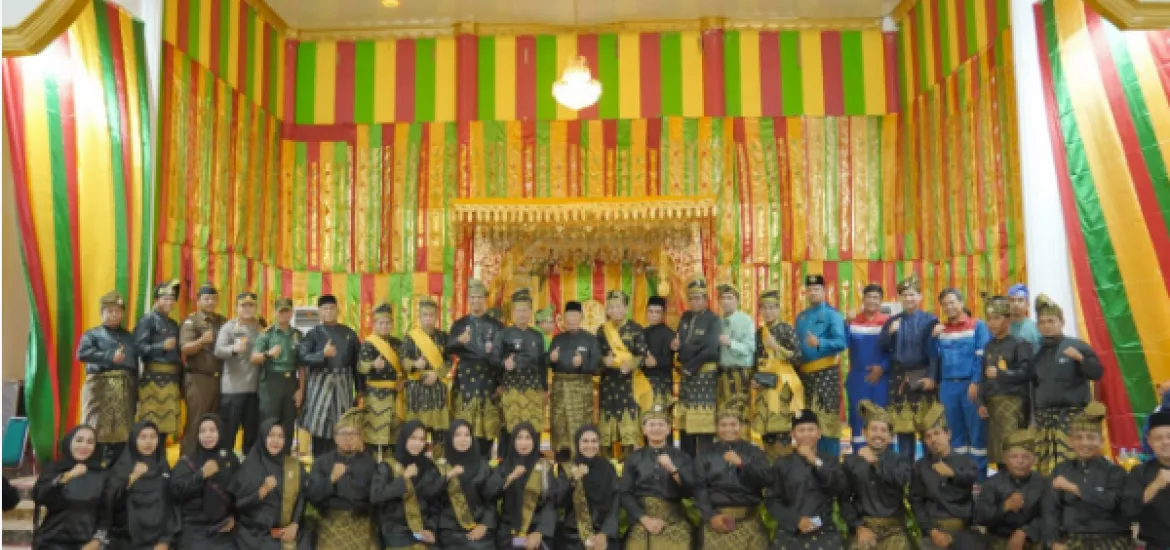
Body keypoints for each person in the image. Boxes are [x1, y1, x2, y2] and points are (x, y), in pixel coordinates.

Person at [1031, 294, 1102, 475]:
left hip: (1072, 418)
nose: (1046, 325)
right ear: (1037, 326)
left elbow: (1097, 373)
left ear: (1062, 322)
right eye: (1042, 322)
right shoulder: (1035, 351)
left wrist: (1080, 359)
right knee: (1044, 469)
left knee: (1072, 468)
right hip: (1044, 420)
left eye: (1051, 321)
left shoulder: (1078, 346)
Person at [1050, 402, 1135, 550]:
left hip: (1110, 539)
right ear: (1071, 441)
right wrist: (1053, 541)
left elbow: (1110, 502)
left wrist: (1074, 488)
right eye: (1079, 438)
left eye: (1090, 437)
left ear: (1101, 441)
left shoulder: (1115, 472)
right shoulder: (1061, 470)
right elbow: (1050, 509)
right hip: (1072, 538)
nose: (1085, 443)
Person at [620, 401, 696, 550]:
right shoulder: (634, 458)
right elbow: (625, 493)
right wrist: (644, 519)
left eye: (661, 424)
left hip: (674, 520)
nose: (656, 428)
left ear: (668, 429)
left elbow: (691, 490)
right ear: (644, 429)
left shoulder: (682, 457)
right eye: (652, 424)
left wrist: (673, 469)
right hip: (642, 520)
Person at [767, 409, 847, 549]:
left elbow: (837, 488)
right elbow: (772, 501)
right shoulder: (782, 464)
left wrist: (815, 461)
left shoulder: (830, 462)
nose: (806, 434)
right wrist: (796, 521)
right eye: (801, 430)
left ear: (819, 433)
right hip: (791, 533)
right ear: (793, 434)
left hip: (825, 532)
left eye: (811, 429)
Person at [932, 288, 991, 476]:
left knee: (977, 435)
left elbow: (982, 357)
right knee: (954, 435)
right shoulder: (941, 330)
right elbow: (933, 358)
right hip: (948, 387)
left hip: (970, 386)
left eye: (952, 302)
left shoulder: (978, 326)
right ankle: (960, 477)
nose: (948, 307)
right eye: (944, 304)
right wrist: (932, 338)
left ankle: (979, 480)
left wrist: (976, 381)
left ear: (961, 302)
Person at [909, 402, 984, 550]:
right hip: (933, 534)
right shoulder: (920, 467)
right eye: (928, 436)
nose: (933, 440)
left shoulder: (966, 462)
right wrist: (931, 531)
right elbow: (916, 502)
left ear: (948, 434)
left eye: (937, 433)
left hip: (964, 534)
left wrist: (954, 474)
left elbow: (971, 477)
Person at [78, 291, 139, 466]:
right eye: (110, 311)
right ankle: (92, 469)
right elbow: (82, 354)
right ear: (102, 313)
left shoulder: (129, 337)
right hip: (100, 388)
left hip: (124, 390)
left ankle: (118, 469)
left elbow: (135, 365)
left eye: (118, 311)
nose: (114, 314)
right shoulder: (92, 334)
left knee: (122, 431)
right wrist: (110, 356)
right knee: (95, 429)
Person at [841, 400, 912, 549]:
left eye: (883, 430)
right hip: (864, 528)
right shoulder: (851, 462)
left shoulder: (900, 461)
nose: (878, 434)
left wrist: (875, 463)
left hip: (895, 530)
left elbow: (899, 481)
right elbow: (844, 499)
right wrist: (857, 527)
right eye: (874, 429)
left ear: (890, 436)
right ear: (864, 432)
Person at [694, 412, 771, 549]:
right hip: (717, 520)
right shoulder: (705, 454)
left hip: (750, 520)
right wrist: (711, 516)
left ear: (741, 427)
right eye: (723, 425)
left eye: (733, 424)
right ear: (716, 428)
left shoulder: (754, 452)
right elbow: (699, 488)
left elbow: (766, 479)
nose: (728, 429)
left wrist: (742, 464)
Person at [446, 279, 505, 456]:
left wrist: (502, 383)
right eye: (472, 297)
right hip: (465, 381)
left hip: (489, 380)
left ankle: (485, 464)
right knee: (464, 427)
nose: (475, 300)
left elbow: (502, 357)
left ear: (485, 299)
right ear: (468, 299)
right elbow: (447, 349)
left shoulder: (496, 326)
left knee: (487, 429)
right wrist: (459, 341)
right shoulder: (459, 324)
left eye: (479, 297)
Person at [306, 407, 378, 550]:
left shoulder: (369, 463)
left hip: (360, 520)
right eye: (344, 434)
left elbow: (376, 498)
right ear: (335, 437)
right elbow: (313, 496)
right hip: (331, 520)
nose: (348, 438)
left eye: (353, 434)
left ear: (359, 437)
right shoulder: (322, 462)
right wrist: (331, 479)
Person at [975, 429, 1058, 550]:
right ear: (1005, 459)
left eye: (1026, 457)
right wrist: (1005, 507)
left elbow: (1049, 518)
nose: (1020, 461)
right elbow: (981, 517)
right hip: (998, 541)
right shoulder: (991, 483)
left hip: (1032, 541)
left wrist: (1024, 532)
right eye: (1014, 456)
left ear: (1033, 460)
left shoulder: (1043, 483)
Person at [229, 420, 307, 550]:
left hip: (285, 530)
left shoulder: (293, 466)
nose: (276, 440)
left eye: (280, 436)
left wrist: (295, 524)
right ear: (263, 437)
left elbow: (301, 496)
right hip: (253, 532)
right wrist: (261, 492)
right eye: (271, 435)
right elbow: (237, 506)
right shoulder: (249, 467)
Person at [299, 294, 361, 457]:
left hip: (343, 384)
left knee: (342, 424)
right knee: (319, 425)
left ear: (337, 310)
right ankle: (319, 463)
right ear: (319, 312)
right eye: (325, 309)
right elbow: (302, 357)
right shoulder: (313, 334)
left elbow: (357, 364)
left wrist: (360, 389)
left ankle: (342, 462)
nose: (329, 312)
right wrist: (322, 354)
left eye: (332, 308)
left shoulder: (349, 333)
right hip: (320, 384)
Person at [794, 274, 847, 457]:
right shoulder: (801, 317)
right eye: (809, 290)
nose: (813, 292)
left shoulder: (832, 315)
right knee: (807, 422)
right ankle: (810, 461)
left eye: (816, 289)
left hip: (826, 374)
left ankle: (830, 464)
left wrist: (820, 343)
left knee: (827, 421)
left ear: (824, 292)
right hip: (804, 376)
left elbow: (841, 343)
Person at [170, 414, 240, 550]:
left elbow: (238, 494)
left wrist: (233, 517)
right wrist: (200, 475)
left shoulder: (230, 460)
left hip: (223, 526)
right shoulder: (187, 461)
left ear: (220, 432)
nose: (207, 435)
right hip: (193, 526)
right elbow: (175, 492)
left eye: (212, 430)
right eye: (203, 431)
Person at [980, 296, 1034, 471]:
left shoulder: (1020, 344)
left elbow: (1026, 373)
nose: (992, 323)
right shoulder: (989, 346)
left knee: (1014, 451)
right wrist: (981, 402)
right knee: (998, 454)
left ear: (1008, 319)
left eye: (996, 318)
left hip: (1014, 405)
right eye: (989, 319)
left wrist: (1001, 374)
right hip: (993, 406)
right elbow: (983, 376)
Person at [104, 420, 178, 549]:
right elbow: (108, 504)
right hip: (126, 539)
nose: (148, 442)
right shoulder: (123, 467)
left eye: (153, 437)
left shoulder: (163, 466)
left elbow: (172, 506)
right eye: (143, 437)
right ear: (134, 440)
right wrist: (131, 478)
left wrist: (165, 540)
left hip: (160, 540)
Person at [32, 425, 108, 550]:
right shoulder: (54, 469)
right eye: (79, 440)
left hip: (87, 543)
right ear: (69, 442)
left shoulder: (103, 475)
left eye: (90, 442)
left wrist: (97, 541)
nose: (84, 446)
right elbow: (40, 497)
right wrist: (67, 476)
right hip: (51, 541)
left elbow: (107, 513)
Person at [372, 420, 444, 549]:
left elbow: (437, 501)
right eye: (413, 438)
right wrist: (403, 478)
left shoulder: (429, 467)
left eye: (421, 439)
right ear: (404, 438)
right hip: (397, 533)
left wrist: (431, 529)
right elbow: (376, 496)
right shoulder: (387, 466)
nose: (417, 443)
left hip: (425, 531)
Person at [596, 290, 652, 459]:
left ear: (626, 308)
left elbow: (642, 355)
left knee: (628, 434)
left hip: (629, 385)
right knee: (606, 435)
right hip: (608, 386)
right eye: (611, 307)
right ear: (607, 310)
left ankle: (629, 467)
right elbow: (595, 357)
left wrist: (631, 364)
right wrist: (603, 361)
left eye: (619, 306)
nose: (615, 310)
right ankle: (607, 467)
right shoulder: (602, 330)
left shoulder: (635, 329)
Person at [492, 290, 547, 454]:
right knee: (511, 427)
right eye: (518, 310)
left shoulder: (537, 336)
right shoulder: (504, 334)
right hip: (512, 387)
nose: (522, 314)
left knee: (533, 426)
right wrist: (504, 364)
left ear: (530, 312)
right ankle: (506, 461)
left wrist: (545, 389)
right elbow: (494, 359)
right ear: (513, 312)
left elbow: (542, 364)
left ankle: (532, 461)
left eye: (525, 310)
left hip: (533, 388)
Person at [674, 275, 722, 457]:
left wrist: (689, 365)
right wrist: (685, 348)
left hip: (704, 380)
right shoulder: (686, 317)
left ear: (705, 299)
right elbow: (680, 343)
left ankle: (706, 469)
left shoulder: (713, 320)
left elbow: (711, 350)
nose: (695, 302)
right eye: (691, 298)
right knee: (685, 428)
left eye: (698, 298)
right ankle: (686, 467)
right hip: (687, 380)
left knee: (704, 429)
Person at [489, 422, 557, 550]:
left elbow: (550, 503)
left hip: (538, 532)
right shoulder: (504, 466)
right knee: (518, 545)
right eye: (519, 438)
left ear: (534, 441)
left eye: (528, 438)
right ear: (513, 441)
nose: (523, 443)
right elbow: (490, 493)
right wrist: (510, 478)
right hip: (510, 533)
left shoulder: (544, 467)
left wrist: (539, 532)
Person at [550, 300, 603, 461]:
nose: (572, 319)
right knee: (559, 425)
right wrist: (551, 359)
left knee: (580, 426)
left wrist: (583, 363)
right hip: (560, 389)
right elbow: (548, 363)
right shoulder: (557, 339)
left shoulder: (590, 340)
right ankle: (561, 463)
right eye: (569, 315)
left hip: (581, 390)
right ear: (564, 318)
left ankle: (582, 462)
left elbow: (598, 366)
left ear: (581, 317)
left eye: (575, 315)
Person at [432, 420, 497, 549]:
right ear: (449, 438)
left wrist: (485, 524)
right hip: (451, 530)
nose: (463, 439)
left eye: (467, 435)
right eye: (457, 435)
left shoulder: (483, 465)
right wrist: (448, 476)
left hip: (480, 527)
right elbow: (431, 496)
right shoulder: (440, 467)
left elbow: (491, 499)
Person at [134, 280, 183, 450]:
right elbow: (138, 347)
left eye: (172, 298)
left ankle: (161, 462)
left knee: (166, 428)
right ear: (156, 300)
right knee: (150, 426)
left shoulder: (173, 324)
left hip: (171, 380)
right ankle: (148, 461)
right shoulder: (147, 320)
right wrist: (161, 346)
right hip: (153, 380)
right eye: (165, 298)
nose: (169, 302)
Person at [399, 297, 451, 457]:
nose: (428, 319)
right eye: (425, 315)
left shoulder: (443, 337)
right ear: (419, 317)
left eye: (431, 315)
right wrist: (415, 364)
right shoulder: (410, 337)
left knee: (439, 430)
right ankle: (415, 459)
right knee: (416, 429)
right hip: (416, 391)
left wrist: (437, 374)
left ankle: (439, 460)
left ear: (436, 317)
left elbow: (449, 361)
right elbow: (402, 360)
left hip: (437, 389)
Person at [180, 283, 227, 456]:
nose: (210, 302)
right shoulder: (191, 321)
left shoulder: (222, 321)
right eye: (206, 299)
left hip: (219, 379)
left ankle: (209, 461)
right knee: (196, 422)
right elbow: (185, 348)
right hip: (198, 379)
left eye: (213, 299)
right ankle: (186, 462)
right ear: (198, 300)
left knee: (215, 424)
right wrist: (201, 341)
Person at [251, 298, 303, 455]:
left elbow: (302, 365)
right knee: (269, 422)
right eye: (281, 311)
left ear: (291, 313)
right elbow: (254, 358)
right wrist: (268, 354)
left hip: (291, 382)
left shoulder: (297, 335)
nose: (284, 314)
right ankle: (266, 458)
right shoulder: (267, 334)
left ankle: (285, 458)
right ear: (275, 313)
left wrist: (301, 389)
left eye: (287, 311)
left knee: (289, 422)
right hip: (271, 382)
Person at [555, 425, 620, 550]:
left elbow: (615, 502)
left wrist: (605, 533)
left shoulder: (607, 468)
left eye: (594, 441)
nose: (590, 445)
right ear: (577, 443)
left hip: (603, 533)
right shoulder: (568, 468)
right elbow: (559, 501)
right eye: (585, 441)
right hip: (574, 535)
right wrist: (574, 480)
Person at [754, 288, 803, 455]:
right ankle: (769, 465)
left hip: (782, 386)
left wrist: (777, 348)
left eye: (771, 307)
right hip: (764, 385)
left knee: (780, 428)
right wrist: (754, 379)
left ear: (778, 309)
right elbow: (756, 360)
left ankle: (784, 464)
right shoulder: (759, 333)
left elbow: (798, 357)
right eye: (764, 308)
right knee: (766, 429)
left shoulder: (786, 329)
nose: (768, 312)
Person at [215, 291, 264, 452]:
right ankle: (225, 464)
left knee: (251, 435)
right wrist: (233, 349)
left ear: (256, 307)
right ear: (236, 307)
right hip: (233, 389)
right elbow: (218, 351)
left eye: (251, 305)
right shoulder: (229, 327)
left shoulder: (261, 328)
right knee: (228, 433)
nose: (247, 308)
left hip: (254, 390)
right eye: (243, 305)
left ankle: (248, 465)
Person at [845, 284, 890, 453]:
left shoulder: (888, 322)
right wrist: (846, 323)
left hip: (882, 380)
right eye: (869, 297)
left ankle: (884, 461)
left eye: (876, 297)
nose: (872, 300)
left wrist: (883, 368)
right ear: (863, 299)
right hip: (858, 380)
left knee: (882, 419)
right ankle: (860, 459)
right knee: (858, 420)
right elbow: (842, 344)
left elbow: (895, 351)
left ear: (881, 301)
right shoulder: (853, 321)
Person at [356, 302, 403, 457]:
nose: (384, 326)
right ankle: (372, 467)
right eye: (381, 323)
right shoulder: (368, 343)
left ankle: (392, 466)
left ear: (392, 324)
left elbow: (404, 367)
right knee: (374, 436)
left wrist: (403, 380)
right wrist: (372, 365)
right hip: (375, 396)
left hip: (396, 395)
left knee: (394, 436)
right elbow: (360, 367)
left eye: (387, 323)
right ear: (375, 324)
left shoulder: (397, 343)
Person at [714, 284, 757, 438]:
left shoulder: (745, 321)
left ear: (737, 301)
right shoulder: (717, 322)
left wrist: (730, 343)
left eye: (730, 298)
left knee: (739, 414)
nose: (726, 301)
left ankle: (742, 448)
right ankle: (724, 449)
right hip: (722, 374)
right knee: (723, 415)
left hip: (740, 374)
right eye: (723, 298)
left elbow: (750, 348)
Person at [1128, 409, 1170, 550]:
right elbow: (1128, 511)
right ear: (1150, 441)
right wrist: (1154, 486)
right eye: (1158, 438)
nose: (1165, 442)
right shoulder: (1139, 472)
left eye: (1169, 436)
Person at [642, 295, 677, 403]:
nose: (654, 315)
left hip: (662, 383)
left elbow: (670, 360)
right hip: (643, 383)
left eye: (657, 312)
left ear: (663, 314)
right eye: (651, 311)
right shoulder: (641, 333)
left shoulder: (669, 334)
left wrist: (655, 361)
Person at [1006, 284, 1040, 350]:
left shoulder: (1035, 329)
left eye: (1020, 300)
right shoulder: (1002, 328)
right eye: (1012, 300)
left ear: (1028, 304)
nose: (1016, 304)